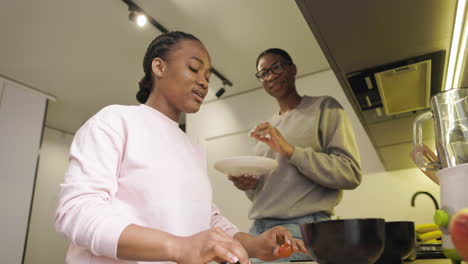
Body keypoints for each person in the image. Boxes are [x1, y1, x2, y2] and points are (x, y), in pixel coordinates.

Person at [54, 32, 307, 264]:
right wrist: (177, 246)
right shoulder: (116, 121)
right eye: (194, 68)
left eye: (207, 76)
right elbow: (78, 211)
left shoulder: (192, 147)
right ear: (159, 67)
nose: (204, 82)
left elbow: (205, 219)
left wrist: (252, 244)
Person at [229, 48, 362, 261]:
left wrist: (290, 150)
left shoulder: (325, 108)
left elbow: (350, 174)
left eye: (277, 67)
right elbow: (268, 192)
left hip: (303, 228)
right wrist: (249, 186)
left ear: (293, 69)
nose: (271, 75)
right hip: (259, 229)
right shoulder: (266, 129)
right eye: (263, 73)